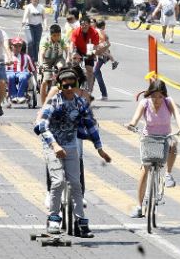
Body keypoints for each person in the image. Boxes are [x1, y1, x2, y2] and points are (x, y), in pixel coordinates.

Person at [35, 68, 112, 237]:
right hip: (52, 146)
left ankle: (81, 223)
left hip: (71, 146)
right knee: (58, 182)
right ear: (60, 87)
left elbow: (90, 125)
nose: (69, 89)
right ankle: (54, 218)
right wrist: (54, 145)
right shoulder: (54, 102)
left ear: (77, 85)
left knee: (76, 184)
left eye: (73, 85)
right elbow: (41, 126)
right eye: (66, 86)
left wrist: (100, 149)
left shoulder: (80, 103)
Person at [127, 79, 180, 218]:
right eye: (154, 96)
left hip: (165, 137)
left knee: (174, 142)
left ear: (164, 96)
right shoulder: (144, 103)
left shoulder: (168, 102)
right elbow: (135, 118)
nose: (157, 99)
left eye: (160, 96)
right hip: (149, 138)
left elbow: (178, 115)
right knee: (144, 170)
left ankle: (168, 174)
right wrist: (131, 124)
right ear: (149, 95)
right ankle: (139, 206)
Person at [38, 24, 69, 104]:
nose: (56, 37)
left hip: (58, 58)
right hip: (47, 60)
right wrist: (41, 65)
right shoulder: (46, 40)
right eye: (54, 35)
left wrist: (68, 59)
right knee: (45, 81)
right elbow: (41, 53)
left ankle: (60, 90)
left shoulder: (62, 39)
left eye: (58, 35)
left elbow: (67, 50)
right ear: (51, 35)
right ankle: (43, 104)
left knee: (61, 67)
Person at [70, 15, 100, 93]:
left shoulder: (94, 32)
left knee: (89, 69)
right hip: (79, 50)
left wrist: (93, 54)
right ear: (80, 25)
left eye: (86, 24)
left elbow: (96, 46)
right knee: (74, 65)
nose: (84, 26)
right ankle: (74, 84)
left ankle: (89, 90)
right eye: (82, 24)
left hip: (90, 50)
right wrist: (72, 53)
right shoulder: (76, 31)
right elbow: (72, 44)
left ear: (89, 24)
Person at [5, 37, 36, 106]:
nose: (17, 48)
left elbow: (33, 69)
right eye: (15, 46)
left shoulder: (26, 56)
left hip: (22, 72)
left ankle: (20, 96)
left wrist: (36, 81)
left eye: (19, 46)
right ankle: (13, 96)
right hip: (9, 72)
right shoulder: (6, 56)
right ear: (11, 46)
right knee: (11, 76)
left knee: (23, 77)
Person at [22, 0, 46, 65]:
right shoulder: (28, 7)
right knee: (30, 42)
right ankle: (29, 58)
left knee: (37, 43)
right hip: (29, 26)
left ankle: (35, 60)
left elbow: (44, 17)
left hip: (38, 27)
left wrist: (45, 25)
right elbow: (25, 15)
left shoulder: (41, 7)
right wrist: (23, 20)